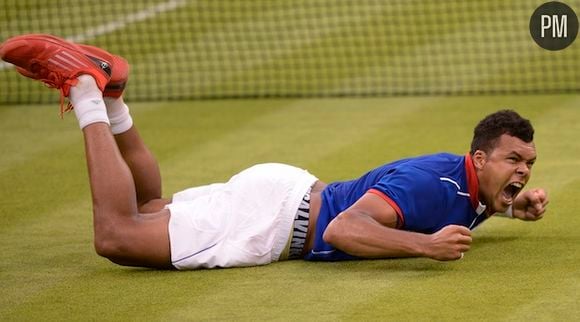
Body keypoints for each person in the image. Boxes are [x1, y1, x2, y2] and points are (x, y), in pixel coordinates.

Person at [0, 34, 549, 270]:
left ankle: (114, 98)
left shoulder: (472, 190)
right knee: (117, 237)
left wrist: (506, 206)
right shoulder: (433, 181)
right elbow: (343, 232)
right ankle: (85, 89)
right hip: (276, 221)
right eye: (511, 161)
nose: (522, 171)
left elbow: (465, 205)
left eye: (527, 164)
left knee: (149, 209)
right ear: (477, 158)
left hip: (282, 195)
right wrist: (424, 247)